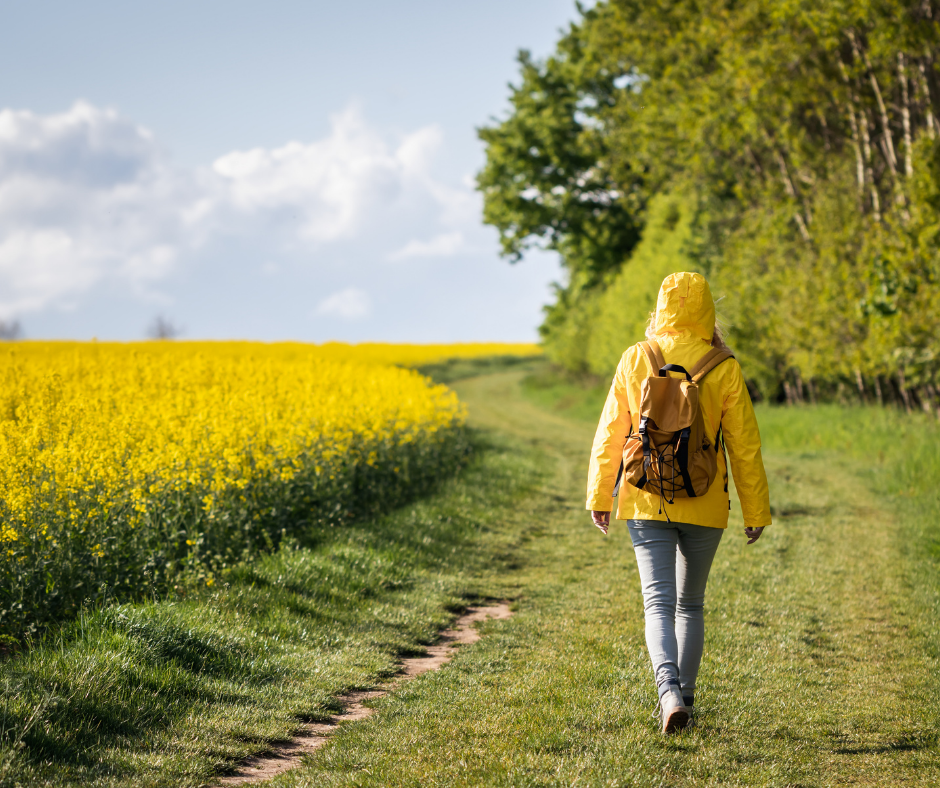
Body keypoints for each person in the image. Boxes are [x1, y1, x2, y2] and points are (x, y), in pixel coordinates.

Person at [585, 271, 771, 733]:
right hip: (706, 502)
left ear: (660, 308)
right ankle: (684, 696)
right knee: (690, 605)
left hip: (646, 498)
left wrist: (599, 494)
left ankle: (667, 694)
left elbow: (612, 432)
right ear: (708, 311)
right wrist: (756, 511)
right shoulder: (723, 365)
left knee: (657, 603)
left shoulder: (637, 358)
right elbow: (744, 446)